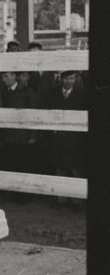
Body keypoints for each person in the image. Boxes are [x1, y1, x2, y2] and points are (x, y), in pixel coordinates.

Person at [43, 70, 87, 210]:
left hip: (75, 138)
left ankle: (76, 201)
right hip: (58, 137)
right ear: (61, 79)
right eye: (66, 79)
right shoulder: (52, 93)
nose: (69, 82)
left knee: (75, 169)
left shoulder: (82, 94)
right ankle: (61, 199)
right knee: (60, 167)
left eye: (72, 78)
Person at [0, 71, 38, 177]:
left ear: (15, 76)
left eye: (6, 76)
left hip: (23, 136)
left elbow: (33, 114)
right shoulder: (3, 92)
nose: (4, 79)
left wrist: (33, 135)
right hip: (8, 136)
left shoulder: (27, 91)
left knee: (24, 165)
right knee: (10, 165)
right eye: (2, 77)